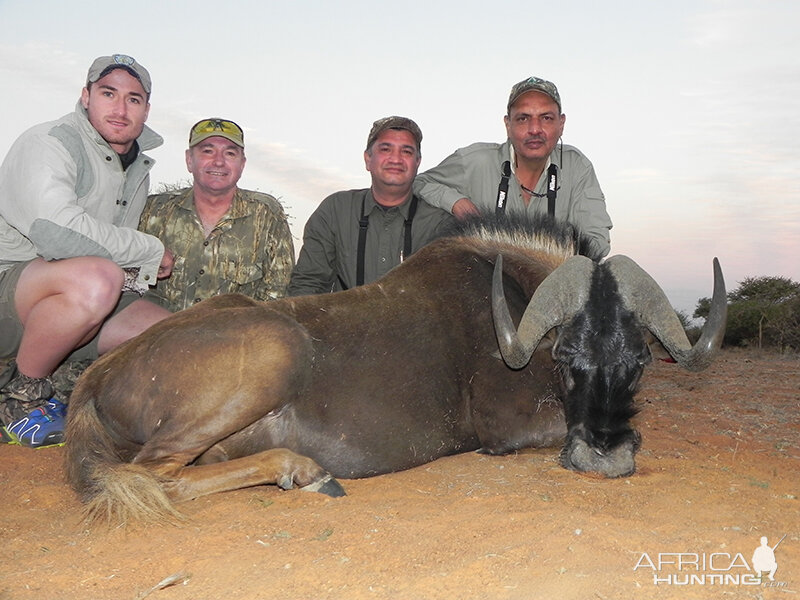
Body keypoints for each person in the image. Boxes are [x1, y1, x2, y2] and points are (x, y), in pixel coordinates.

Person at [0, 54, 173, 448]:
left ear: (146, 109)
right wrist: (149, 250)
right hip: (9, 290)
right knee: (98, 279)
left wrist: (137, 271)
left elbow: (111, 255)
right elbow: (56, 234)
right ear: (85, 96)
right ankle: (19, 401)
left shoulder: (136, 168)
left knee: (172, 332)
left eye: (133, 99)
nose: (119, 107)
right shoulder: (49, 140)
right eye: (108, 93)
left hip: (58, 295)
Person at [413, 76, 612, 260]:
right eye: (523, 118)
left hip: (552, 284)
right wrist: (456, 203)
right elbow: (420, 182)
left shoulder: (577, 166)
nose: (535, 129)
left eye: (546, 118)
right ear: (508, 125)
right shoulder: (475, 160)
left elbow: (597, 243)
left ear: (561, 124)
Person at [139, 118, 294, 312]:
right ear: (189, 160)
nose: (219, 161)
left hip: (237, 336)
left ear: (242, 164)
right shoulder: (154, 209)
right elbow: (127, 278)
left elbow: (277, 295)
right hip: (161, 332)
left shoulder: (267, 213)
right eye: (207, 151)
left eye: (230, 153)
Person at [288, 116, 454, 295]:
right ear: (368, 159)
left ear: (417, 163)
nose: (396, 159)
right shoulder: (335, 210)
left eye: (406, 151)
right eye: (385, 149)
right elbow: (308, 283)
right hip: (346, 322)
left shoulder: (440, 223)